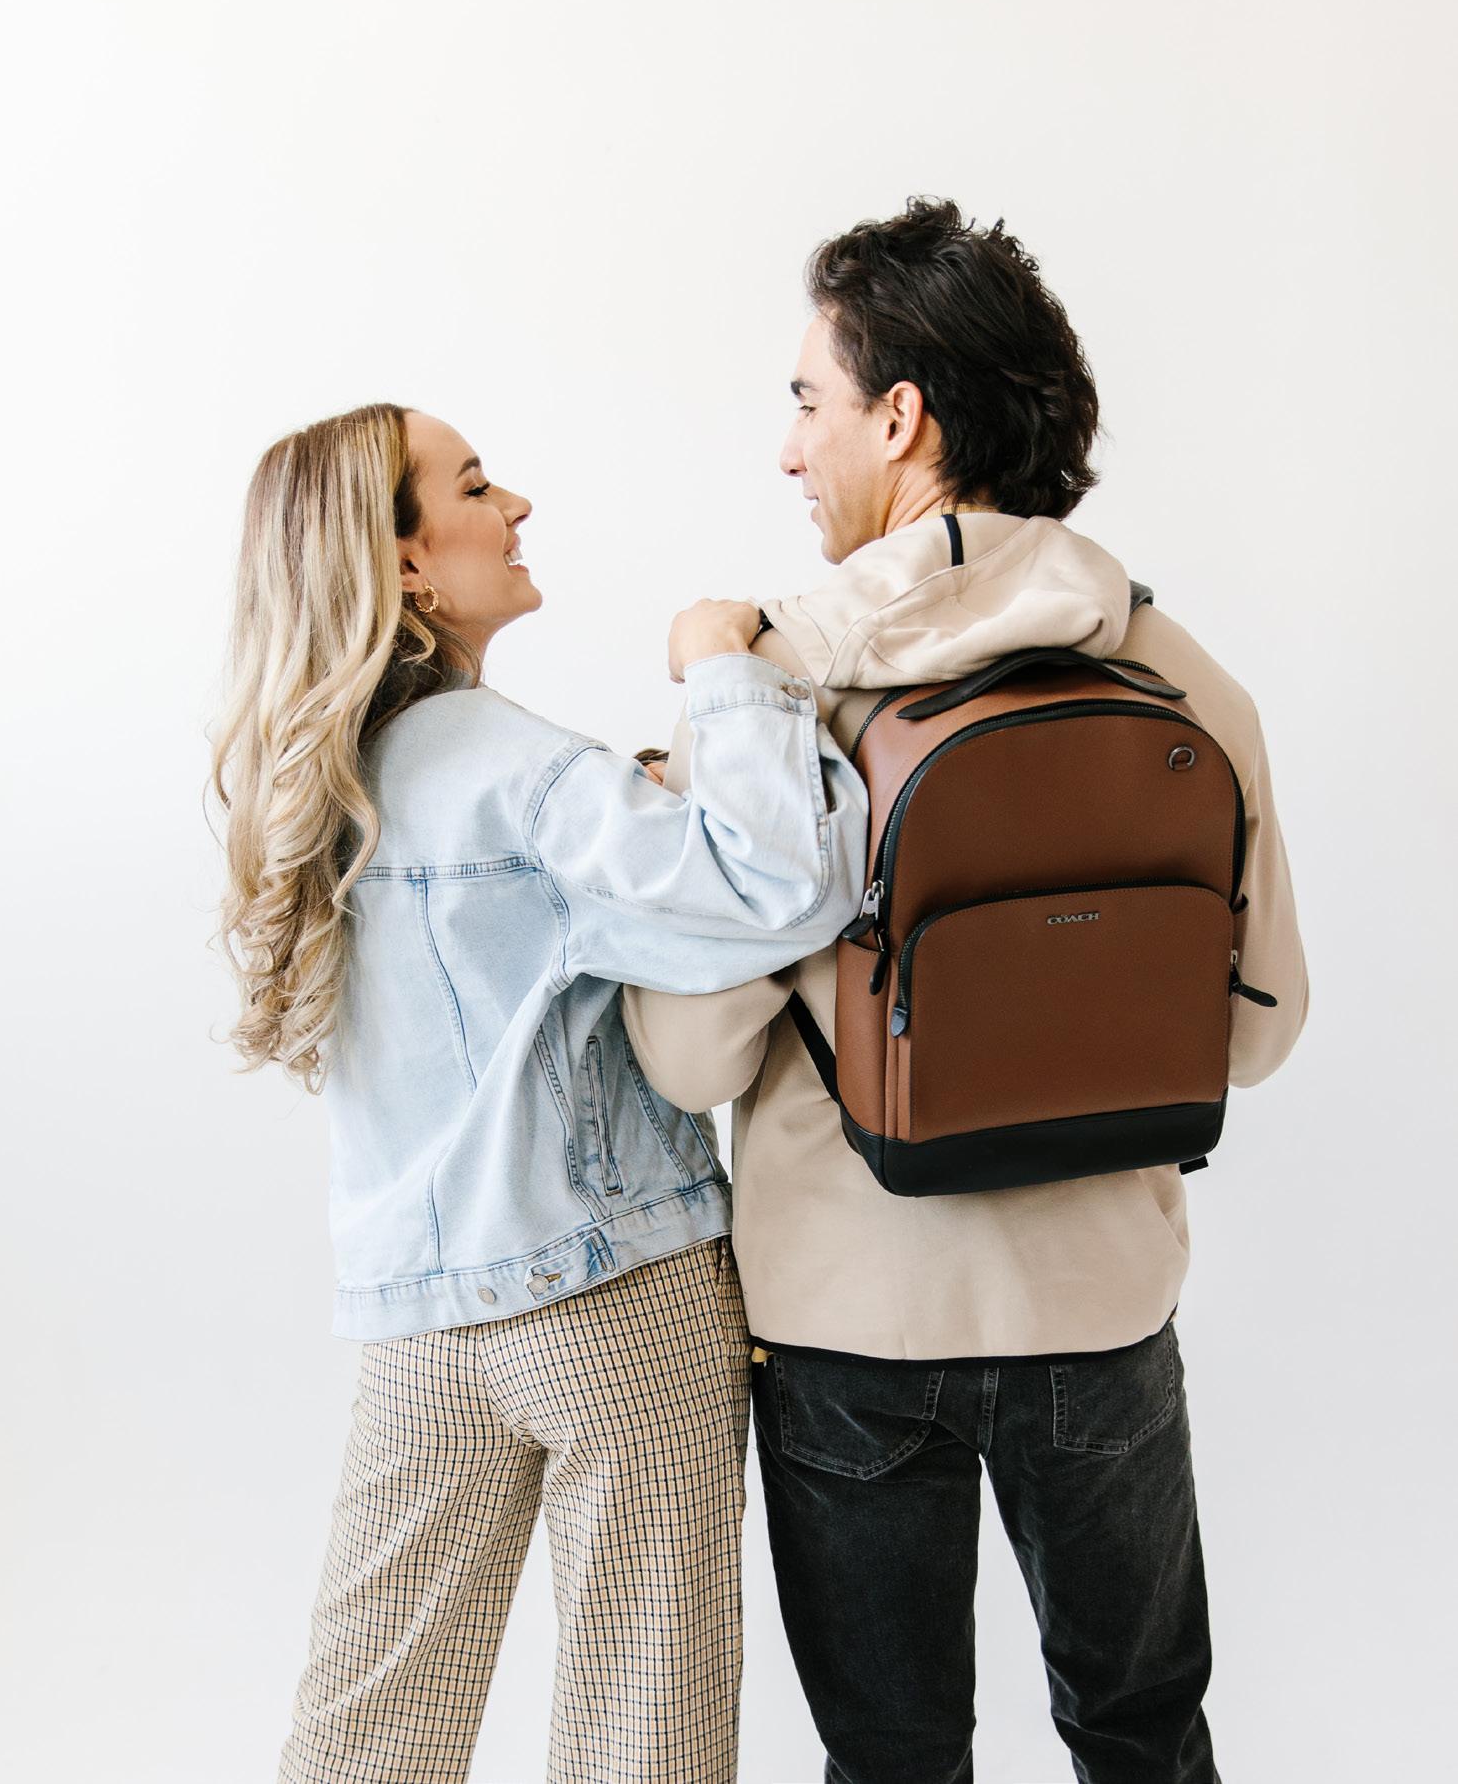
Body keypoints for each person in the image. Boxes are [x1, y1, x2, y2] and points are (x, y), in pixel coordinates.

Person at [624, 198, 1308, 1784]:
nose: (787, 449)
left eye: (806, 399)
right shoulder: (1182, 678)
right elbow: (1259, 1030)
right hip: (1100, 1305)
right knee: (1142, 1733)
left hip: (847, 1324)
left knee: (893, 1759)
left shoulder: (769, 688)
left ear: (900, 416)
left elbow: (690, 1057)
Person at [211, 400, 868, 1784]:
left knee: (367, 1731)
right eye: (474, 485)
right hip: (612, 1296)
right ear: (404, 562)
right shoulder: (520, 772)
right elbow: (778, 890)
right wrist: (725, 675)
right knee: (641, 1729)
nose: (515, 505)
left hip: (417, 1317)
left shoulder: (319, 787)